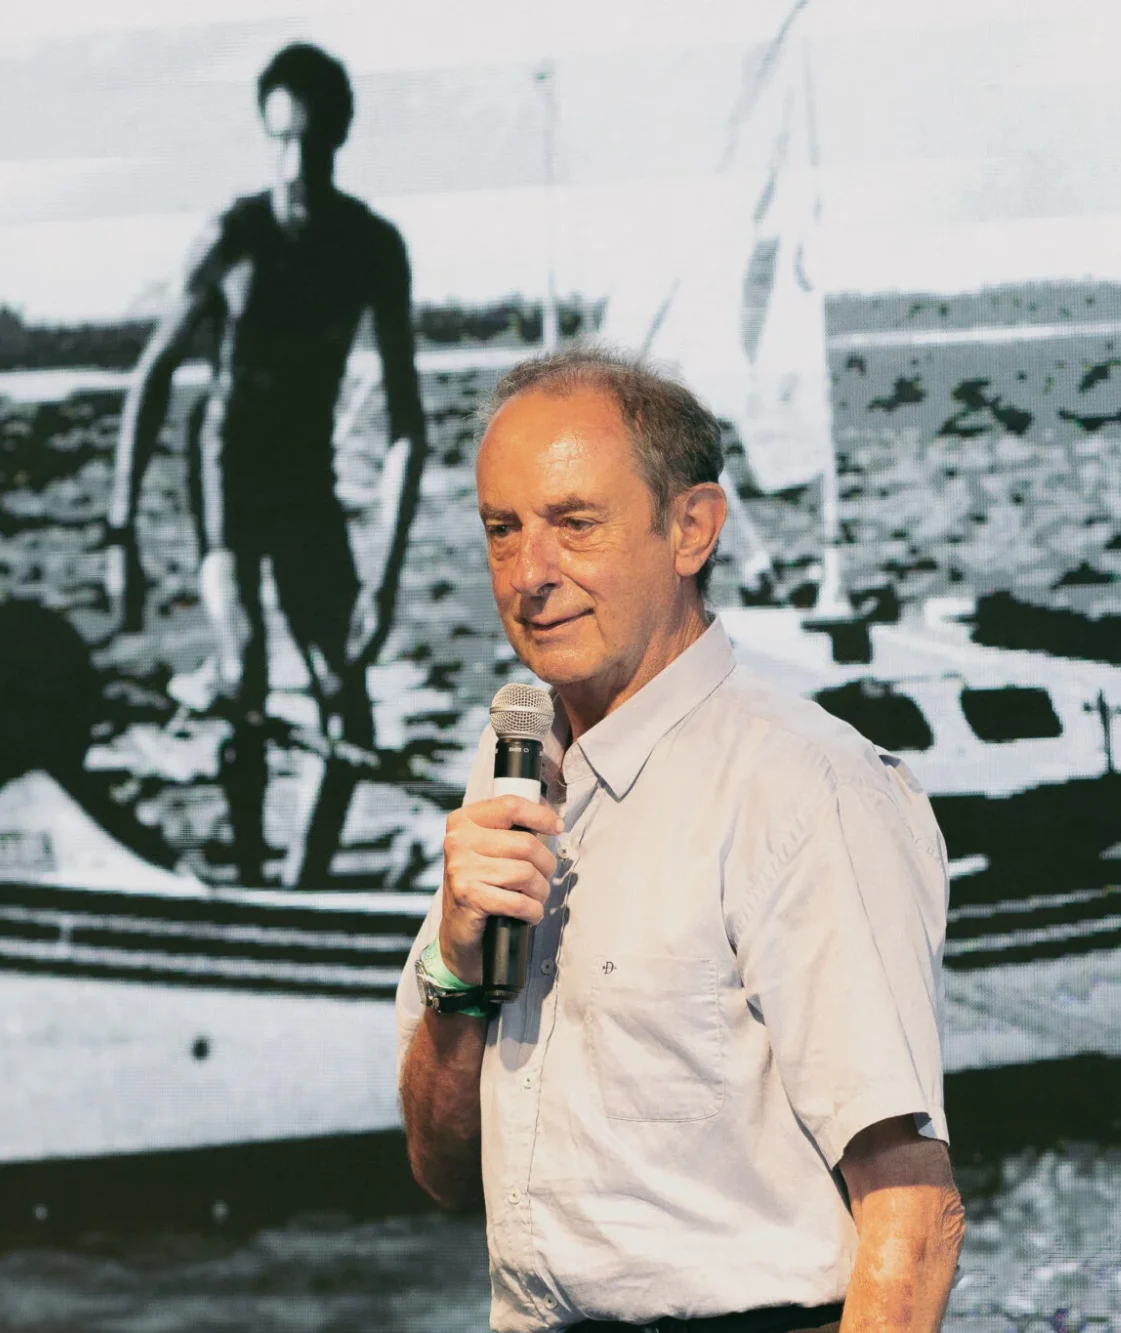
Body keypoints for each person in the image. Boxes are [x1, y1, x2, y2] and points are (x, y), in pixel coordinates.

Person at [396, 347, 963, 1333]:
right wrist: (457, 968)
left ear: (691, 528)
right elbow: (441, 1169)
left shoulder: (804, 789)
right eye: (502, 529)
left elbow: (913, 1213)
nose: (529, 575)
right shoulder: (511, 767)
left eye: (575, 524)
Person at [104, 41, 429, 887]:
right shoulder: (234, 235)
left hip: (303, 480)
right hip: (226, 470)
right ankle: (246, 872)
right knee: (245, 663)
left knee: (348, 704)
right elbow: (151, 378)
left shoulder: (373, 247)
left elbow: (407, 428)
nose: (296, 167)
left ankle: (300, 888)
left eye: (312, 145)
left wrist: (383, 580)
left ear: (339, 139)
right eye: (281, 142)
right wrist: (120, 534)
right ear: (265, 137)